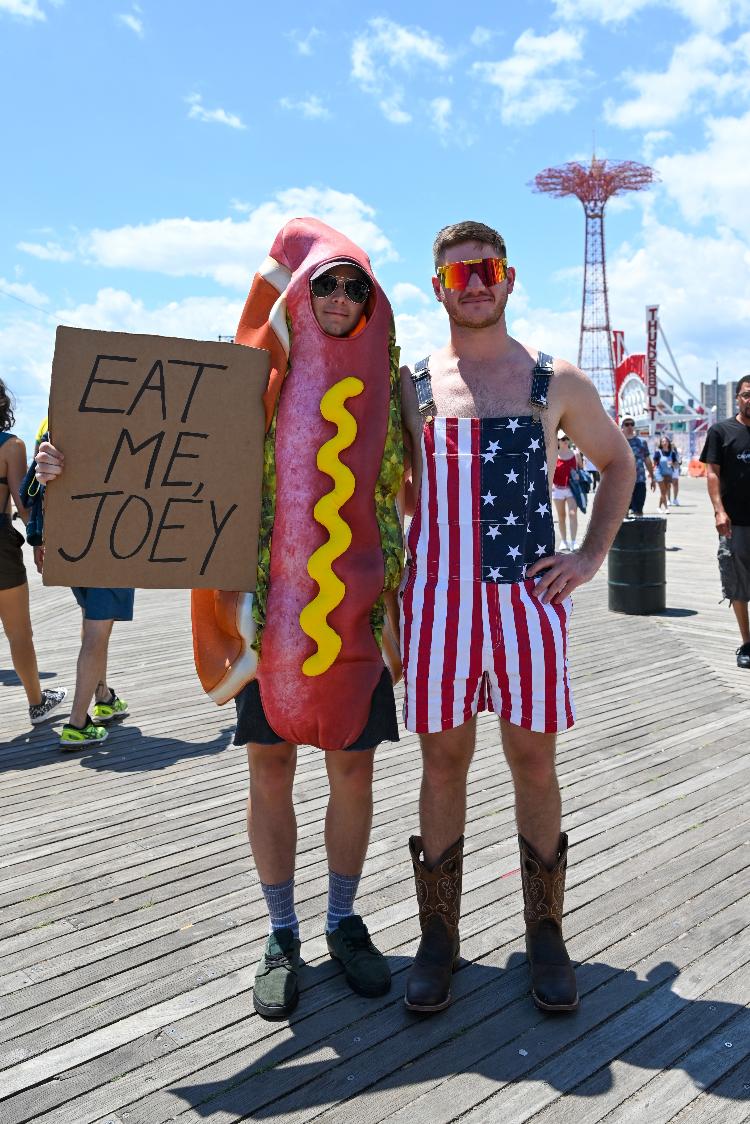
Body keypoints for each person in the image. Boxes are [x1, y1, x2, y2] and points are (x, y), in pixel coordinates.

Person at [400, 220, 634, 1015]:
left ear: (509, 277)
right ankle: (440, 937)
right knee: (442, 764)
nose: (475, 284)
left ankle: (545, 932)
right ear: (438, 288)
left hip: (529, 604)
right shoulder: (411, 387)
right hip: (437, 602)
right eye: (458, 275)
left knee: (534, 764)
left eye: (487, 269)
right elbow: (384, 492)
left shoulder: (554, 380)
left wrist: (589, 557)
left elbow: (617, 463)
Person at [191, 219, 403, 1021]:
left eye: (356, 285)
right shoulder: (256, 384)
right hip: (267, 608)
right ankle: (281, 932)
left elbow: (426, 478)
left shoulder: (394, 382)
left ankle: (343, 919)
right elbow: (177, 459)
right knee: (270, 768)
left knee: (353, 771)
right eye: (325, 284)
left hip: (357, 608)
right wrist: (60, 469)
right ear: (299, 297)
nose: (341, 297)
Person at [33, 429, 132, 749]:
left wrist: (39, 538)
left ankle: (102, 695)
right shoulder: (129, 415)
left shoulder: (57, 417)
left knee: (94, 624)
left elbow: (36, 487)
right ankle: (77, 722)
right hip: (116, 538)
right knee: (96, 632)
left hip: (73, 540)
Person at [0, 380, 67, 726]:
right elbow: (24, 503)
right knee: (18, 632)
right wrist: (40, 539)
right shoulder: (10, 446)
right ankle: (37, 703)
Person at [700, 374, 750, 669]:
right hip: (735, 522)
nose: (749, 400)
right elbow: (712, 472)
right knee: (738, 584)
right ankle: (746, 642)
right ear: (738, 398)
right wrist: (719, 510)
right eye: (745, 394)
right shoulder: (721, 431)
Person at [552, 434, 582, 551]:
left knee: (573, 514)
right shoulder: (554, 455)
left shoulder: (575, 454)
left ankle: (574, 541)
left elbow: (580, 469)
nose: (565, 441)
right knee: (561, 516)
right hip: (557, 489)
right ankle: (564, 541)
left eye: (567, 438)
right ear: (558, 441)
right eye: (562, 439)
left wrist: (578, 477)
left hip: (571, 489)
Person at [621, 418, 655, 515]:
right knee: (623, 512)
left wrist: (652, 477)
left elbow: (647, 460)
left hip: (639, 480)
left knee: (638, 511)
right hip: (622, 482)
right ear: (622, 427)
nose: (630, 427)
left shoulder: (641, 442)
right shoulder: (618, 443)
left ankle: (638, 529)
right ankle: (625, 530)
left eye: (632, 424)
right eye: (627, 424)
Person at [653, 435, 679, 514]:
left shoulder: (672, 453)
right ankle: (666, 508)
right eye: (663, 441)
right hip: (659, 473)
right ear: (661, 443)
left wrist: (673, 464)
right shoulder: (658, 452)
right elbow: (654, 463)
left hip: (668, 473)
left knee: (665, 491)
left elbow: (676, 464)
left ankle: (659, 507)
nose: (664, 443)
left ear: (668, 443)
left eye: (666, 441)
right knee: (663, 490)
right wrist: (652, 474)